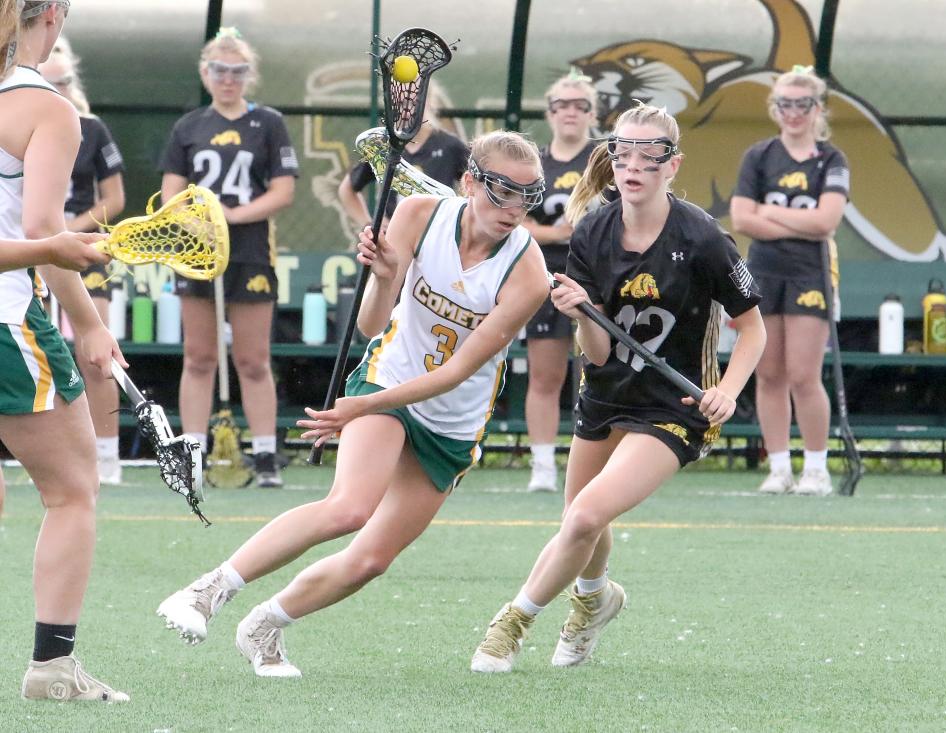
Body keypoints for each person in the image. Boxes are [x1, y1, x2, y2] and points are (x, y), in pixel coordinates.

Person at [157, 130, 549, 678]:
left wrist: (359, 409)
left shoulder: (527, 274)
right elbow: (370, 325)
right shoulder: (418, 214)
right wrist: (386, 277)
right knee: (348, 508)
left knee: (371, 560)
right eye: (500, 193)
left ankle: (265, 625)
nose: (512, 210)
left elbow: (458, 371)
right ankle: (207, 591)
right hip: (388, 378)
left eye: (526, 198)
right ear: (469, 182)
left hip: (454, 419)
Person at [470, 102, 766, 674]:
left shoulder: (702, 237)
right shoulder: (593, 231)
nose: (633, 165)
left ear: (671, 164)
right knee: (581, 523)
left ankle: (513, 622)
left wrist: (727, 390)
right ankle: (596, 602)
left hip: (673, 407)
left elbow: (752, 326)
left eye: (648, 155)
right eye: (622, 152)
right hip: (605, 393)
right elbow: (599, 352)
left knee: (583, 518)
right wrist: (583, 314)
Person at [0, 0, 129, 701]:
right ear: (53, 14)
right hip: (6, 325)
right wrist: (89, 322)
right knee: (73, 489)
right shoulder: (46, 108)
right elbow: (47, 233)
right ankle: (52, 666)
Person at [160, 27, 298, 488]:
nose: (228, 79)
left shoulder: (268, 124)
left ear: (249, 76)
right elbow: (171, 194)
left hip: (250, 252)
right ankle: (193, 454)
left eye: (238, 72)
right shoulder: (189, 126)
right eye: (220, 71)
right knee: (199, 357)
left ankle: (263, 455)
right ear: (206, 73)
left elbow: (283, 190)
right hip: (198, 253)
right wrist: (200, 222)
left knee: (253, 358)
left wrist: (233, 217)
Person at [729, 66, 849, 497]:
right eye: (785, 104)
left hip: (809, 274)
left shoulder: (831, 160)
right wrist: (801, 221)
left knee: (803, 373)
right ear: (774, 109)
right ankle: (779, 467)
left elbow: (827, 221)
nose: (794, 112)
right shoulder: (758, 157)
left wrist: (770, 214)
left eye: (803, 104)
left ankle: (816, 468)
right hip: (764, 272)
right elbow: (742, 217)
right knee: (769, 373)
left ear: (817, 109)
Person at [38, 36, 126, 485]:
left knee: (95, 352)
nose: (59, 88)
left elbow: (114, 197)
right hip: (34, 246)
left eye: (65, 80)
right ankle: (52, 453)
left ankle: (107, 454)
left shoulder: (91, 128)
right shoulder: (23, 120)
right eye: (48, 81)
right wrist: (47, 232)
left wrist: (73, 226)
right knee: (39, 351)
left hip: (84, 246)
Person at [522, 70, 599, 492]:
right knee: (545, 374)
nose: (570, 113)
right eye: (562, 105)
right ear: (550, 113)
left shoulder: (603, 159)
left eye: (579, 105)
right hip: (546, 275)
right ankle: (543, 466)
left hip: (596, 276)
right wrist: (554, 233)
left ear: (591, 112)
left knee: (599, 370)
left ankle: (595, 461)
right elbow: (518, 221)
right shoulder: (537, 163)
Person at [337, 89, 469, 229]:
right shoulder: (384, 146)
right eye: (400, 104)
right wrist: (369, 224)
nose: (406, 110)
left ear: (428, 102)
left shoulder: (449, 146)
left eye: (412, 103)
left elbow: (476, 185)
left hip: (436, 233)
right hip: (395, 238)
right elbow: (347, 189)